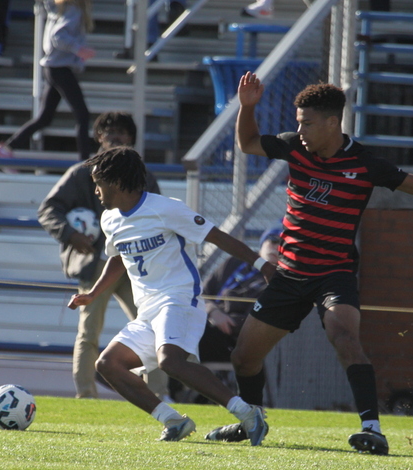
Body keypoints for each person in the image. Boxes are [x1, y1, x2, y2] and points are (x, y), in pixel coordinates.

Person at [204, 74, 413, 455]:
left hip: (333, 274)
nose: (299, 129)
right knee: (243, 357)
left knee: (344, 335)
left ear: (333, 122)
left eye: (307, 122)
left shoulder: (365, 164)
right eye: (297, 121)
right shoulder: (293, 147)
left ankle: (373, 429)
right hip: (289, 275)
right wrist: (247, 106)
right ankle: (250, 419)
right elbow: (248, 142)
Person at [67, 146, 276, 445]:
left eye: (98, 182)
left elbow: (217, 236)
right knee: (107, 364)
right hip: (149, 310)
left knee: (170, 361)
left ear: (116, 180)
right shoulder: (109, 219)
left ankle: (248, 413)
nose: (95, 189)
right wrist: (93, 293)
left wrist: (262, 265)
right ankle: (173, 421)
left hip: (180, 299)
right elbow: (117, 257)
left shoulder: (166, 208)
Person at [37, 111, 168, 400]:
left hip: (134, 264)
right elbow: (48, 209)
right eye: (109, 134)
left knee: (153, 328)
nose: (115, 138)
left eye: (122, 134)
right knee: (88, 333)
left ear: (131, 139)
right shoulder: (81, 173)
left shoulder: (144, 175)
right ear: (99, 138)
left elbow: (158, 219)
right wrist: (71, 235)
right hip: (95, 265)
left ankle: (158, 395)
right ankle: (86, 396)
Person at [169, 225, 280, 403]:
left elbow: (257, 321)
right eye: (273, 241)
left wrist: (222, 319)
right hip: (206, 323)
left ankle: (176, 393)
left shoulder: (281, 281)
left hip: (235, 340)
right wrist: (213, 311)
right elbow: (200, 293)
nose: (277, 248)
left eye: (284, 245)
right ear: (262, 242)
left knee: (177, 334)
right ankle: (169, 391)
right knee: (170, 323)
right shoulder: (234, 264)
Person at [0, 0, 95, 162]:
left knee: (45, 118)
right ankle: (85, 162)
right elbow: (58, 36)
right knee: (82, 115)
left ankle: (6, 148)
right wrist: (79, 50)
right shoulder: (74, 10)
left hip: (53, 68)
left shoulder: (60, 8)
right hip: (60, 69)